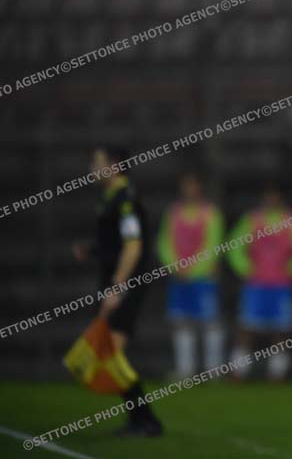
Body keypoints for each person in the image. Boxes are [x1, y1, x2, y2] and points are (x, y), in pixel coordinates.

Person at [72, 145, 163, 436]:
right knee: (112, 354)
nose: (92, 168)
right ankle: (142, 420)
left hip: (126, 283)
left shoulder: (125, 199)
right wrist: (92, 250)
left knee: (111, 352)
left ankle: (146, 421)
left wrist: (118, 286)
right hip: (117, 282)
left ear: (114, 166)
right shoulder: (111, 197)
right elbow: (116, 242)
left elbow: (133, 248)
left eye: (97, 162)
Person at [227, 183, 292, 380]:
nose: (271, 201)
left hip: (282, 285)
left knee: (281, 330)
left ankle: (277, 373)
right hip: (256, 284)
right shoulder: (251, 220)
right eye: (268, 197)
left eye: (274, 197)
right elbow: (235, 246)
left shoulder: (291, 221)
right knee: (246, 328)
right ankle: (239, 372)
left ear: (280, 199)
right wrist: (245, 268)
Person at [157, 171, 226, 378]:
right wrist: (175, 266)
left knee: (210, 321)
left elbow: (213, 244)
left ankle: (213, 369)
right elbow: (164, 243)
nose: (190, 190)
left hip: (204, 276)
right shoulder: (173, 213)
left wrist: (194, 268)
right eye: (186, 186)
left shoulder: (211, 213)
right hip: (179, 276)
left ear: (200, 188)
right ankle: (185, 370)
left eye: (194, 186)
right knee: (181, 322)